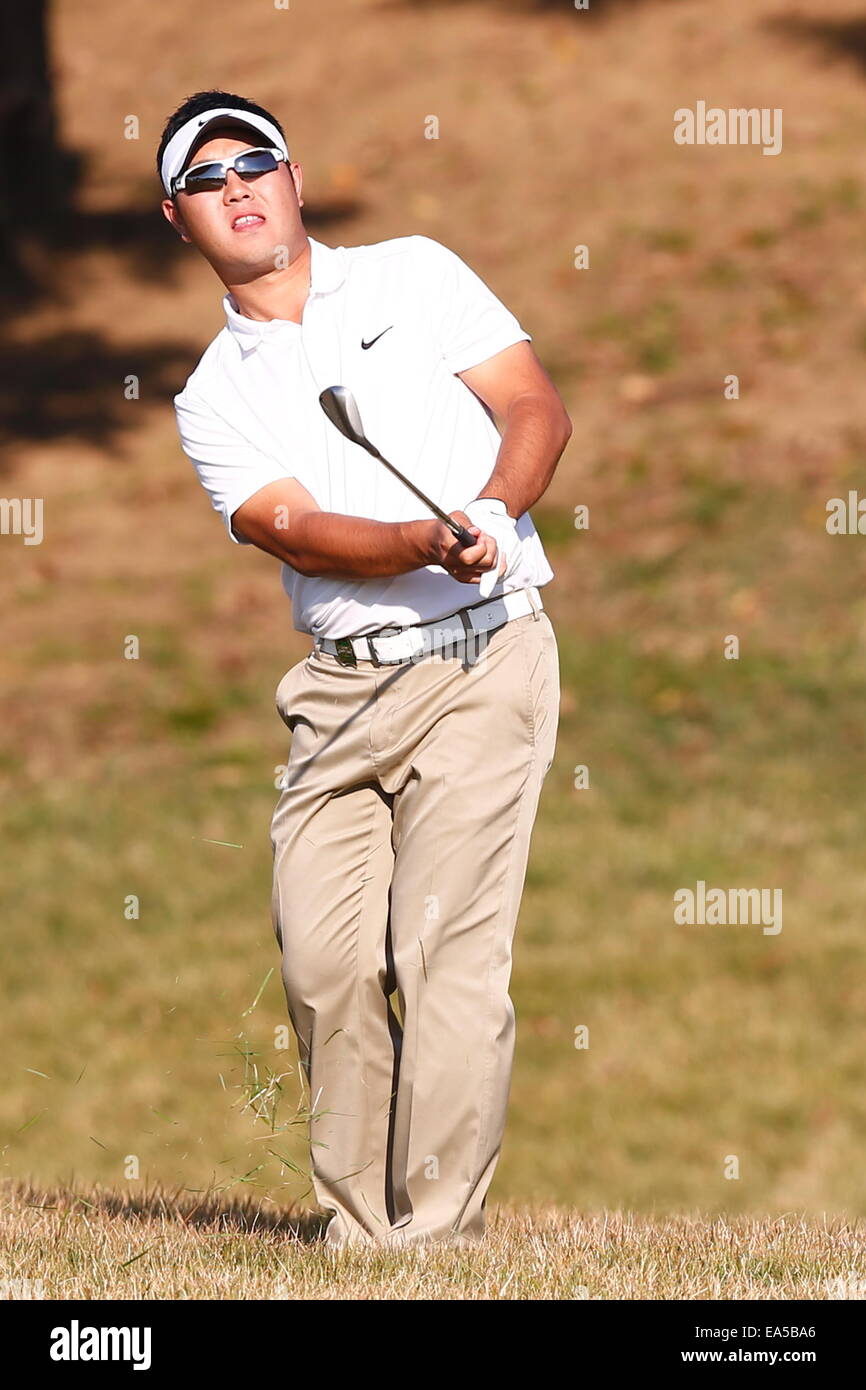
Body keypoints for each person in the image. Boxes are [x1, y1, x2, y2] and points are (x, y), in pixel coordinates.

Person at [158, 89, 571, 1249]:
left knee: (440, 954)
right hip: (339, 691)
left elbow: (532, 404)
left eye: (255, 161)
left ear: (295, 178)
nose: (234, 185)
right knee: (326, 960)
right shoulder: (208, 395)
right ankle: (360, 1220)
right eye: (205, 177)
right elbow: (288, 527)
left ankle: (424, 1242)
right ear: (176, 218)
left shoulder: (414, 275)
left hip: (483, 654)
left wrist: (491, 505)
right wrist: (412, 542)